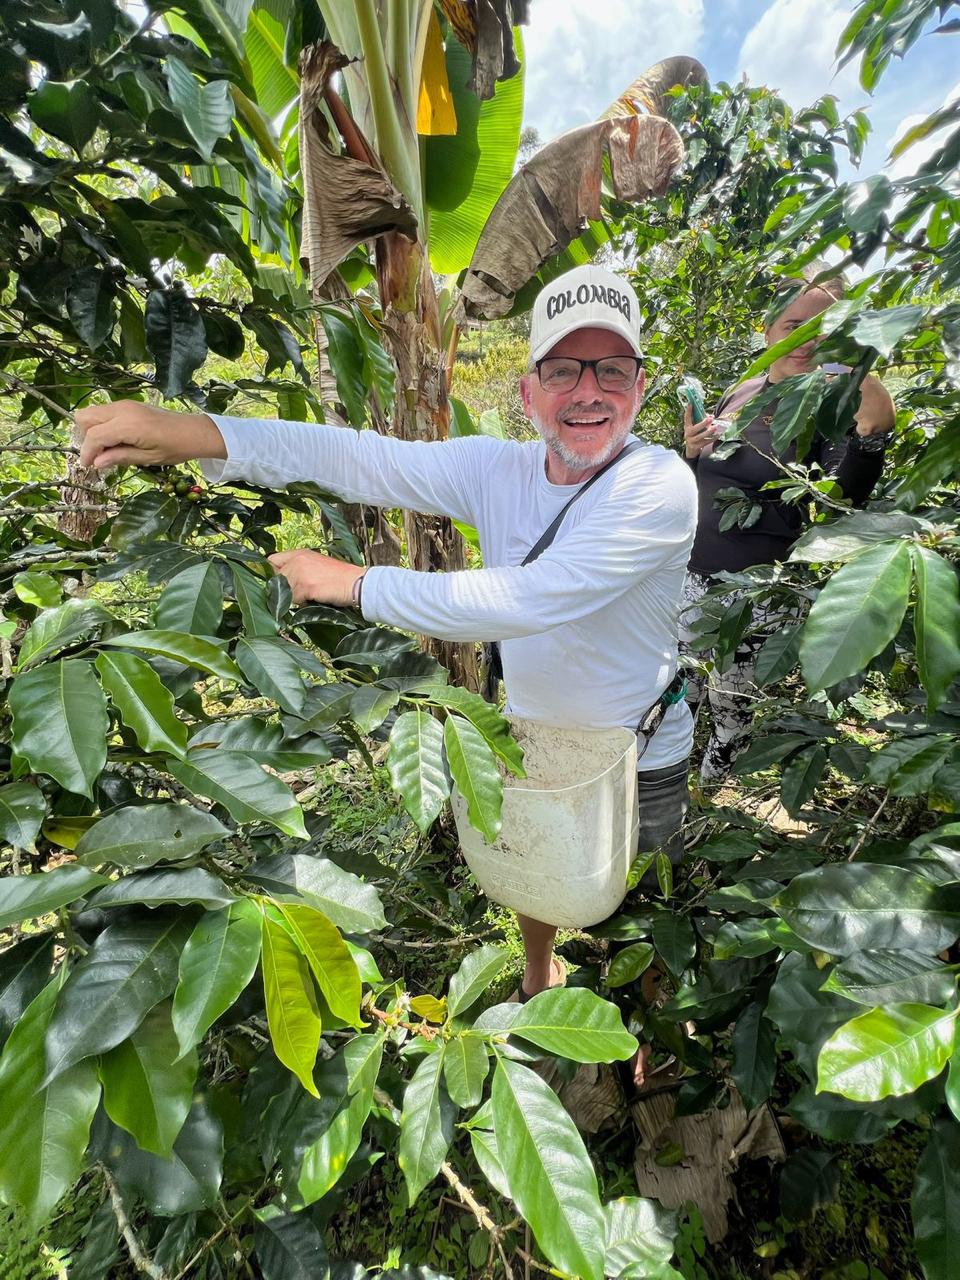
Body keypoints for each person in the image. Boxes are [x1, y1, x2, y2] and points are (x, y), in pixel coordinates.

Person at [76, 264, 698, 1083]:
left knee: (639, 903)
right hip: (536, 734)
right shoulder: (499, 470)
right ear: (529, 390)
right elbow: (367, 459)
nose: (588, 392)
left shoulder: (659, 484)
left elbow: (531, 597)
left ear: (641, 387)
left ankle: (642, 1023)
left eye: (611, 370)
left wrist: (355, 583)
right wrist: (202, 434)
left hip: (635, 752)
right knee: (535, 861)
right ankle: (542, 967)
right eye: (564, 370)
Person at [681, 265, 895, 783]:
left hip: (757, 594)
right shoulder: (746, 388)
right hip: (691, 576)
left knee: (731, 711)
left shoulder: (833, 404)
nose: (803, 341)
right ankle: (671, 778)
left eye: (819, 328)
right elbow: (704, 476)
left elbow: (840, 504)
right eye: (790, 326)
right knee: (678, 690)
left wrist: (872, 436)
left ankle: (711, 804)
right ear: (767, 329)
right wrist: (688, 452)